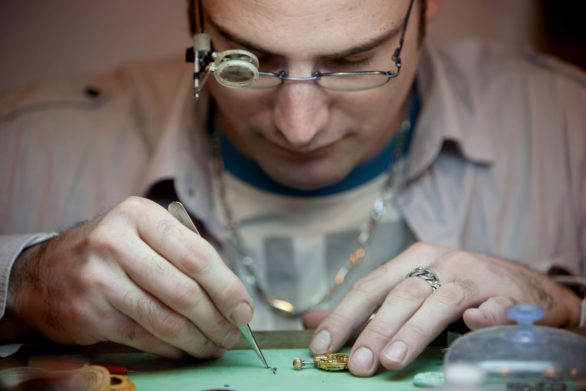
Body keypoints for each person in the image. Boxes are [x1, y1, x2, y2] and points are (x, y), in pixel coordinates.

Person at [0, 0, 584, 378]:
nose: (297, 127)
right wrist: (22, 283)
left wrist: (569, 309)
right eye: (246, 59)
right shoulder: (26, 143)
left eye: (354, 61)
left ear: (426, 11)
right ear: (193, 17)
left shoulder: (567, 124)